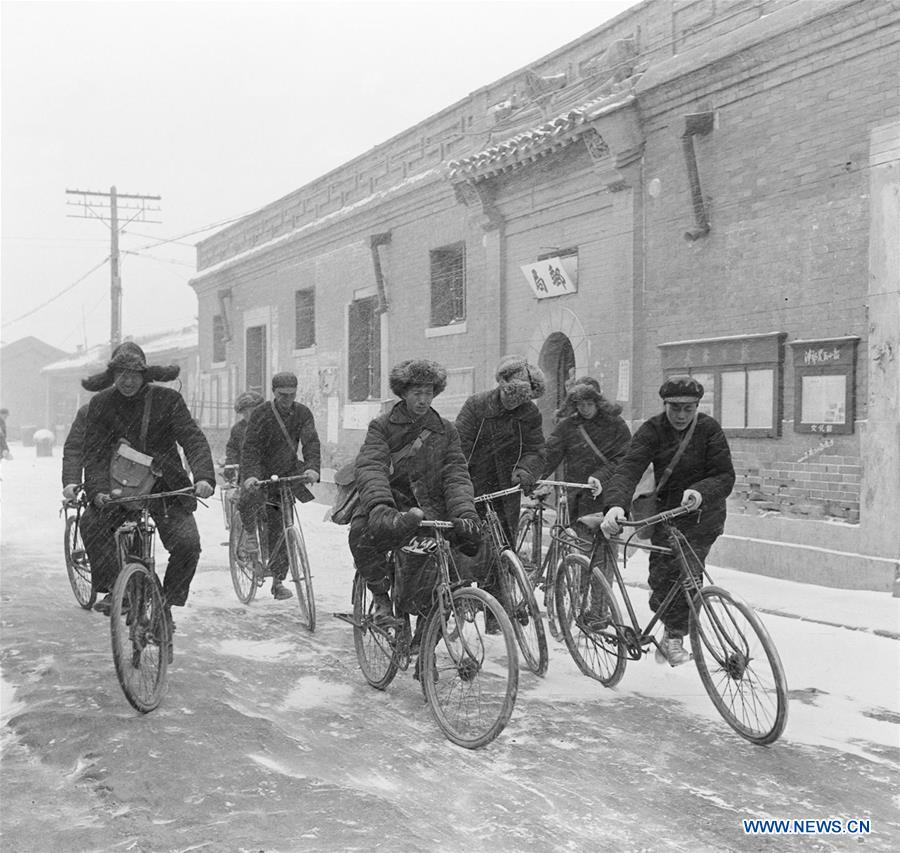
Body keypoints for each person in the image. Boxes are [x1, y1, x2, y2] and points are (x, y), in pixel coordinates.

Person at [79, 342, 216, 637]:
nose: (127, 380)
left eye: (134, 373)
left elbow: (192, 438)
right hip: (118, 490)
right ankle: (118, 588)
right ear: (113, 374)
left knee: (188, 545)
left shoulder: (167, 399)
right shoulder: (101, 404)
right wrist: (98, 491)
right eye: (121, 373)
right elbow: (94, 454)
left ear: (145, 374)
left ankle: (165, 603)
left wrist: (203, 476)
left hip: (165, 487)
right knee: (91, 523)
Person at [600, 376, 735, 665]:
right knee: (661, 578)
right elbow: (628, 469)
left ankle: (675, 636)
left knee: (688, 574)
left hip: (703, 517)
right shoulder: (653, 430)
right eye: (675, 408)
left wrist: (700, 491)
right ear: (665, 405)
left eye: (688, 408)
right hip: (667, 516)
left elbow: (725, 476)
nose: (681, 415)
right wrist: (614, 506)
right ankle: (669, 628)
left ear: (697, 406)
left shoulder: (709, 430)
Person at [349, 358, 480, 624]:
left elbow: (456, 474)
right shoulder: (382, 426)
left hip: (432, 507)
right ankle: (381, 598)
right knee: (361, 534)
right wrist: (380, 507)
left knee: (456, 555)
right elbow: (372, 466)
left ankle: (427, 640)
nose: (423, 400)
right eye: (417, 393)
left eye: (428, 393)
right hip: (393, 504)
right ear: (404, 393)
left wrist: (464, 510)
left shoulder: (446, 430)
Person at [455, 355, 546, 605]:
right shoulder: (477, 405)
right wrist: (458, 481)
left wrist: (526, 470)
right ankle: (462, 596)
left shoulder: (529, 414)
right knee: (467, 545)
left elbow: (536, 449)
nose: (512, 402)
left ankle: (496, 612)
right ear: (501, 383)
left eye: (520, 398)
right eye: (509, 394)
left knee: (502, 548)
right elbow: (458, 446)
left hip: (505, 490)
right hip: (471, 485)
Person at [240, 372, 321, 600]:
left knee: (283, 528)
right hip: (262, 474)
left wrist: (312, 468)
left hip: (287, 471)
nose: (287, 399)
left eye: (291, 395)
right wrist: (251, 476)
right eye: (282, 395)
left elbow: (311, 442)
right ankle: (250, 539)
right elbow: (251, 448)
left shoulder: (303, 413)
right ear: (273, 392)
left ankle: (278, 581)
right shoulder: (261, 414)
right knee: (250, 503)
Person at [541, 379, 631, 519]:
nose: (585, 409)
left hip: (608, 493)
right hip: (577, 494)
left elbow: (624, 458)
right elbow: (550, 455)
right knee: (577, 536)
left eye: (590, 404)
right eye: (580, 404)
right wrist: (534, 476)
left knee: (605, 535)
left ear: (598, 402)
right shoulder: (568, 426)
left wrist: (599, 476)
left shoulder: (615, 424)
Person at [223, 391, 265, 480]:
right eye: (245, 412)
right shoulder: (237, 429)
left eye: (253, 411)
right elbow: (232, 449)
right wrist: (230, 465)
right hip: (246, 474)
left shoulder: (268, 426)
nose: (249, 415)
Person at [61, 403, 90, 501]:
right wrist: (72, 482)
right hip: (98, 487)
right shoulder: (89, 412)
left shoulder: (139, 410)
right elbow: (74, 449)